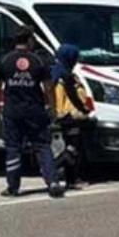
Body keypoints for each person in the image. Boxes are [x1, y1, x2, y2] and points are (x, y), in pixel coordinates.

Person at [0, 26, 64, 198]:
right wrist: (53, 108)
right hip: (35, 111)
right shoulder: (39, 61)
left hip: (12, 111)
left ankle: (13, 187)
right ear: (30, 40)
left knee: (13, 148)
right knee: (42, 146)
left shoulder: (4, 60)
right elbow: (48, 88)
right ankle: (53, 182)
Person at [50, 44, 93, 188]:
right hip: (69, 117)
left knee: (71, 148)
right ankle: (54, 170)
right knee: (73, 149)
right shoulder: (65, 76)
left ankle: (69, 177)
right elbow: (72, 98)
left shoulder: (55, 73)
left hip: (63, 116)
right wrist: (84, 111)